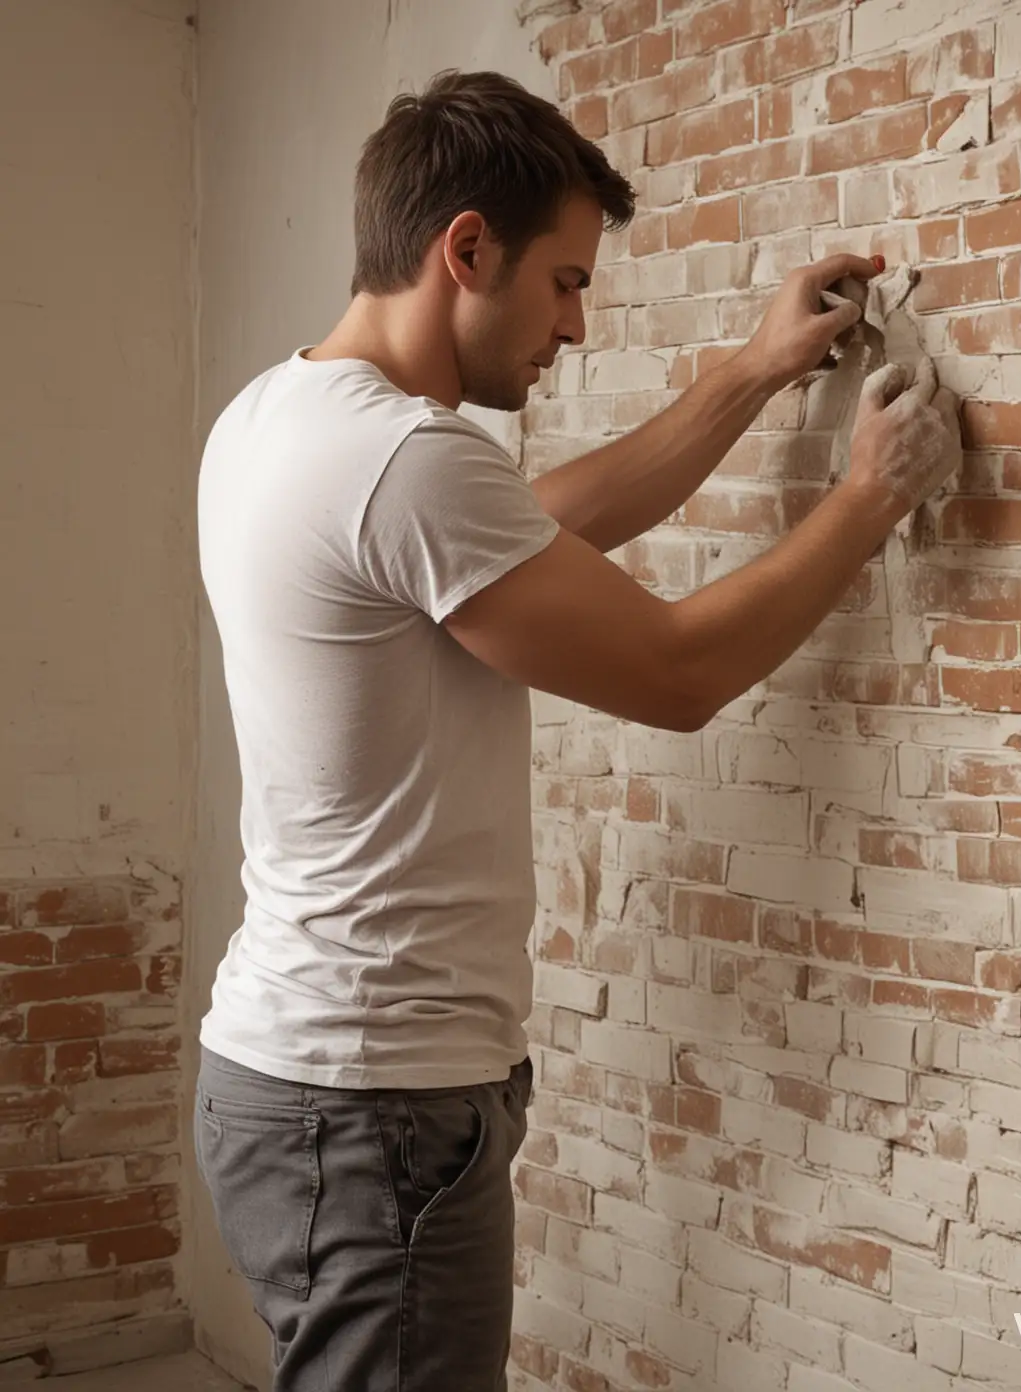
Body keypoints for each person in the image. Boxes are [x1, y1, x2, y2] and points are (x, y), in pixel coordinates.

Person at [192, 68, 961, 1391]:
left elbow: (537, 527)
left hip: (295, 1084)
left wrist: (753, 372)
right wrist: (867, 503)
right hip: (372, 1104)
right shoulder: (402, 463)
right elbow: (676, 671)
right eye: (564, 281)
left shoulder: (278, 418)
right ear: (465, 249)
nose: (578, 324)